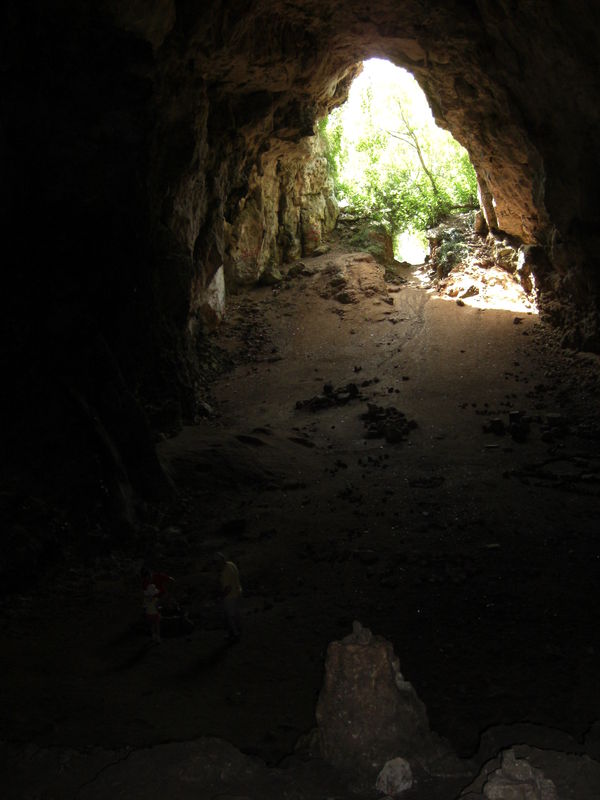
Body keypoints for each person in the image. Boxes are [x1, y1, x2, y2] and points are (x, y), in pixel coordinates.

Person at [140, 566, 175, 643]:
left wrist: (169, 592)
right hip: (153, 601)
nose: (148, 579)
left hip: (161, 597)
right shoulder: (145, 583)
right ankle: (155, 634)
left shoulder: (158, 576)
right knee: (154, 619)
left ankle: (157, 633)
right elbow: (145, 595)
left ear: (151, 574)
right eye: (146, 578)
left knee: (158, 614)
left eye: (148, 577)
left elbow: (171, 580)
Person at [215, 552, 243, 641]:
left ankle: (235, 634)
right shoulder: (231, 564)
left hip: (230, 597)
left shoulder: (225, 573)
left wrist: (220, 596)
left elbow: (227, 588)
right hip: (238, 592)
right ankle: (239, 630)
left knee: (230, 617)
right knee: (236, 614)